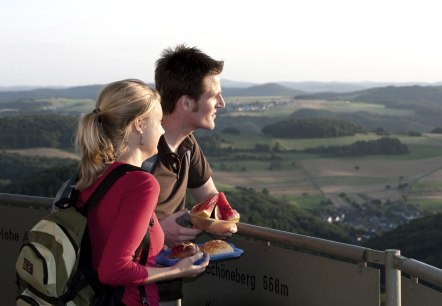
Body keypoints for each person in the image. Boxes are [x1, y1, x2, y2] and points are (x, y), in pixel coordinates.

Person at [74, 79, 209, 306]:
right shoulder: (141, 184)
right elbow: (113, 270)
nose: (163, 129)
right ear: (139, 125)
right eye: (158, 121)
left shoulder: (93, 174)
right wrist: (177, 271)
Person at [148, 44, 237, 305]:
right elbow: (106, 220)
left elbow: (210, 200)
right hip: (132, 287)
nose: (222, 103)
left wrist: (221, 222)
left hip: (169, 283)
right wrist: (158, 232)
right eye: (214, 96)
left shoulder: (188, 145)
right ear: (187, 102)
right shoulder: (140, 149)